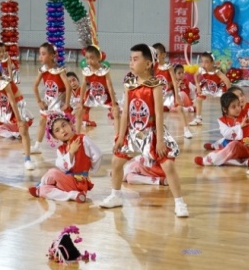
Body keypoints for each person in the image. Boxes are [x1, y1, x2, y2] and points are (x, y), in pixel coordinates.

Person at [99, 43, 188, 217]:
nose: (131, 63)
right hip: (133, 133)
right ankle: (115, 196)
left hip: (152, 132)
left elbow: (159, 114)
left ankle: (180, 203)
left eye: (135, 59)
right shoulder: (129, 84)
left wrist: (160, 140)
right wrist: (120, 136)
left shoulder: (155, 85)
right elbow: (125, 113)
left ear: (148, 64)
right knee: (116, 163)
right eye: (130, 59)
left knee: (168, 165)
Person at [29, 114, 102, 203]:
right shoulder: (60, 149)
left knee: (52, 172)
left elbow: (98, 155)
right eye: (57, 130)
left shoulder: (82, 139)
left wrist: (92, 170)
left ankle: (40, 186)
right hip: (67, 182)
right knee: (45, 190)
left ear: (70, 124)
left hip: (80, 182)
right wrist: (71, 152)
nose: (62, 130)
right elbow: (62, 167)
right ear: (55, 136)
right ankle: (74, 195)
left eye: (64, 125)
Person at [195, 91, 249, 168]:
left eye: (239, 105)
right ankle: (244, 162)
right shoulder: (222, 121)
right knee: (228, 146)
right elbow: (226, 134)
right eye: (233, 107)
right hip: (230, 148)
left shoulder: (246, 114)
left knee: (232, 146)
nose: (238, 108)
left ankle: (208, 158)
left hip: (245, 147)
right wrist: (240, 126)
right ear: (225, 110)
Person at [31, 43, 71, 153]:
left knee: (63, 124)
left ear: (52, 55)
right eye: (40, 54)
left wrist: (67, 103)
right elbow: (34, 86)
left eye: (43, 54)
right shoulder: (42, 70)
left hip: (59, 101)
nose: (40, 57)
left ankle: (70, 145)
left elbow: (68, 86)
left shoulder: (59, 69)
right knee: (42, 121)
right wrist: (39, 101)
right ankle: (37, 146)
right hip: (49, 100)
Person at [152, 43, 192, 139]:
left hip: (169, 94)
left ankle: (186, 130)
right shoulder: (152, 67)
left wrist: (177, 96)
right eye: (153, 54)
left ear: (163, 54)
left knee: (179, 109)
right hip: (157, 96)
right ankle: (156, 131)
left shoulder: (168, 67)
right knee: (155, 113)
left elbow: (174, 81)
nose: (155, 56)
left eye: (156, 54)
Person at [77, 45, 119, 134]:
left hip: (104, 94)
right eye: (87, 58)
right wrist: (80, 102)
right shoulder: (86, 70)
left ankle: (118, 134)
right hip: (92, 94)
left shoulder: (104, 69)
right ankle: (78, 134)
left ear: (98, 58)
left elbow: (109, 85)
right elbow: (83, 85)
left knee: (116, 112)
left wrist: (114, 103)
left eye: (92, 58)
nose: (89, 60)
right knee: (80, 110)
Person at [190, 53, 231, 128]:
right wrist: (197, 85)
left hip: (218, 87)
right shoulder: (201, 69)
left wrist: (229, 93)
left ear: (212, 63)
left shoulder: (216, 71)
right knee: (198, 99)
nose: (203, 64)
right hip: (208, 86)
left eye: (206, 62)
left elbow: (227, 81)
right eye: (202, 61)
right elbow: (195, 75)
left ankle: (228, 119)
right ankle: (198, 118)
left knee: (225, 103)